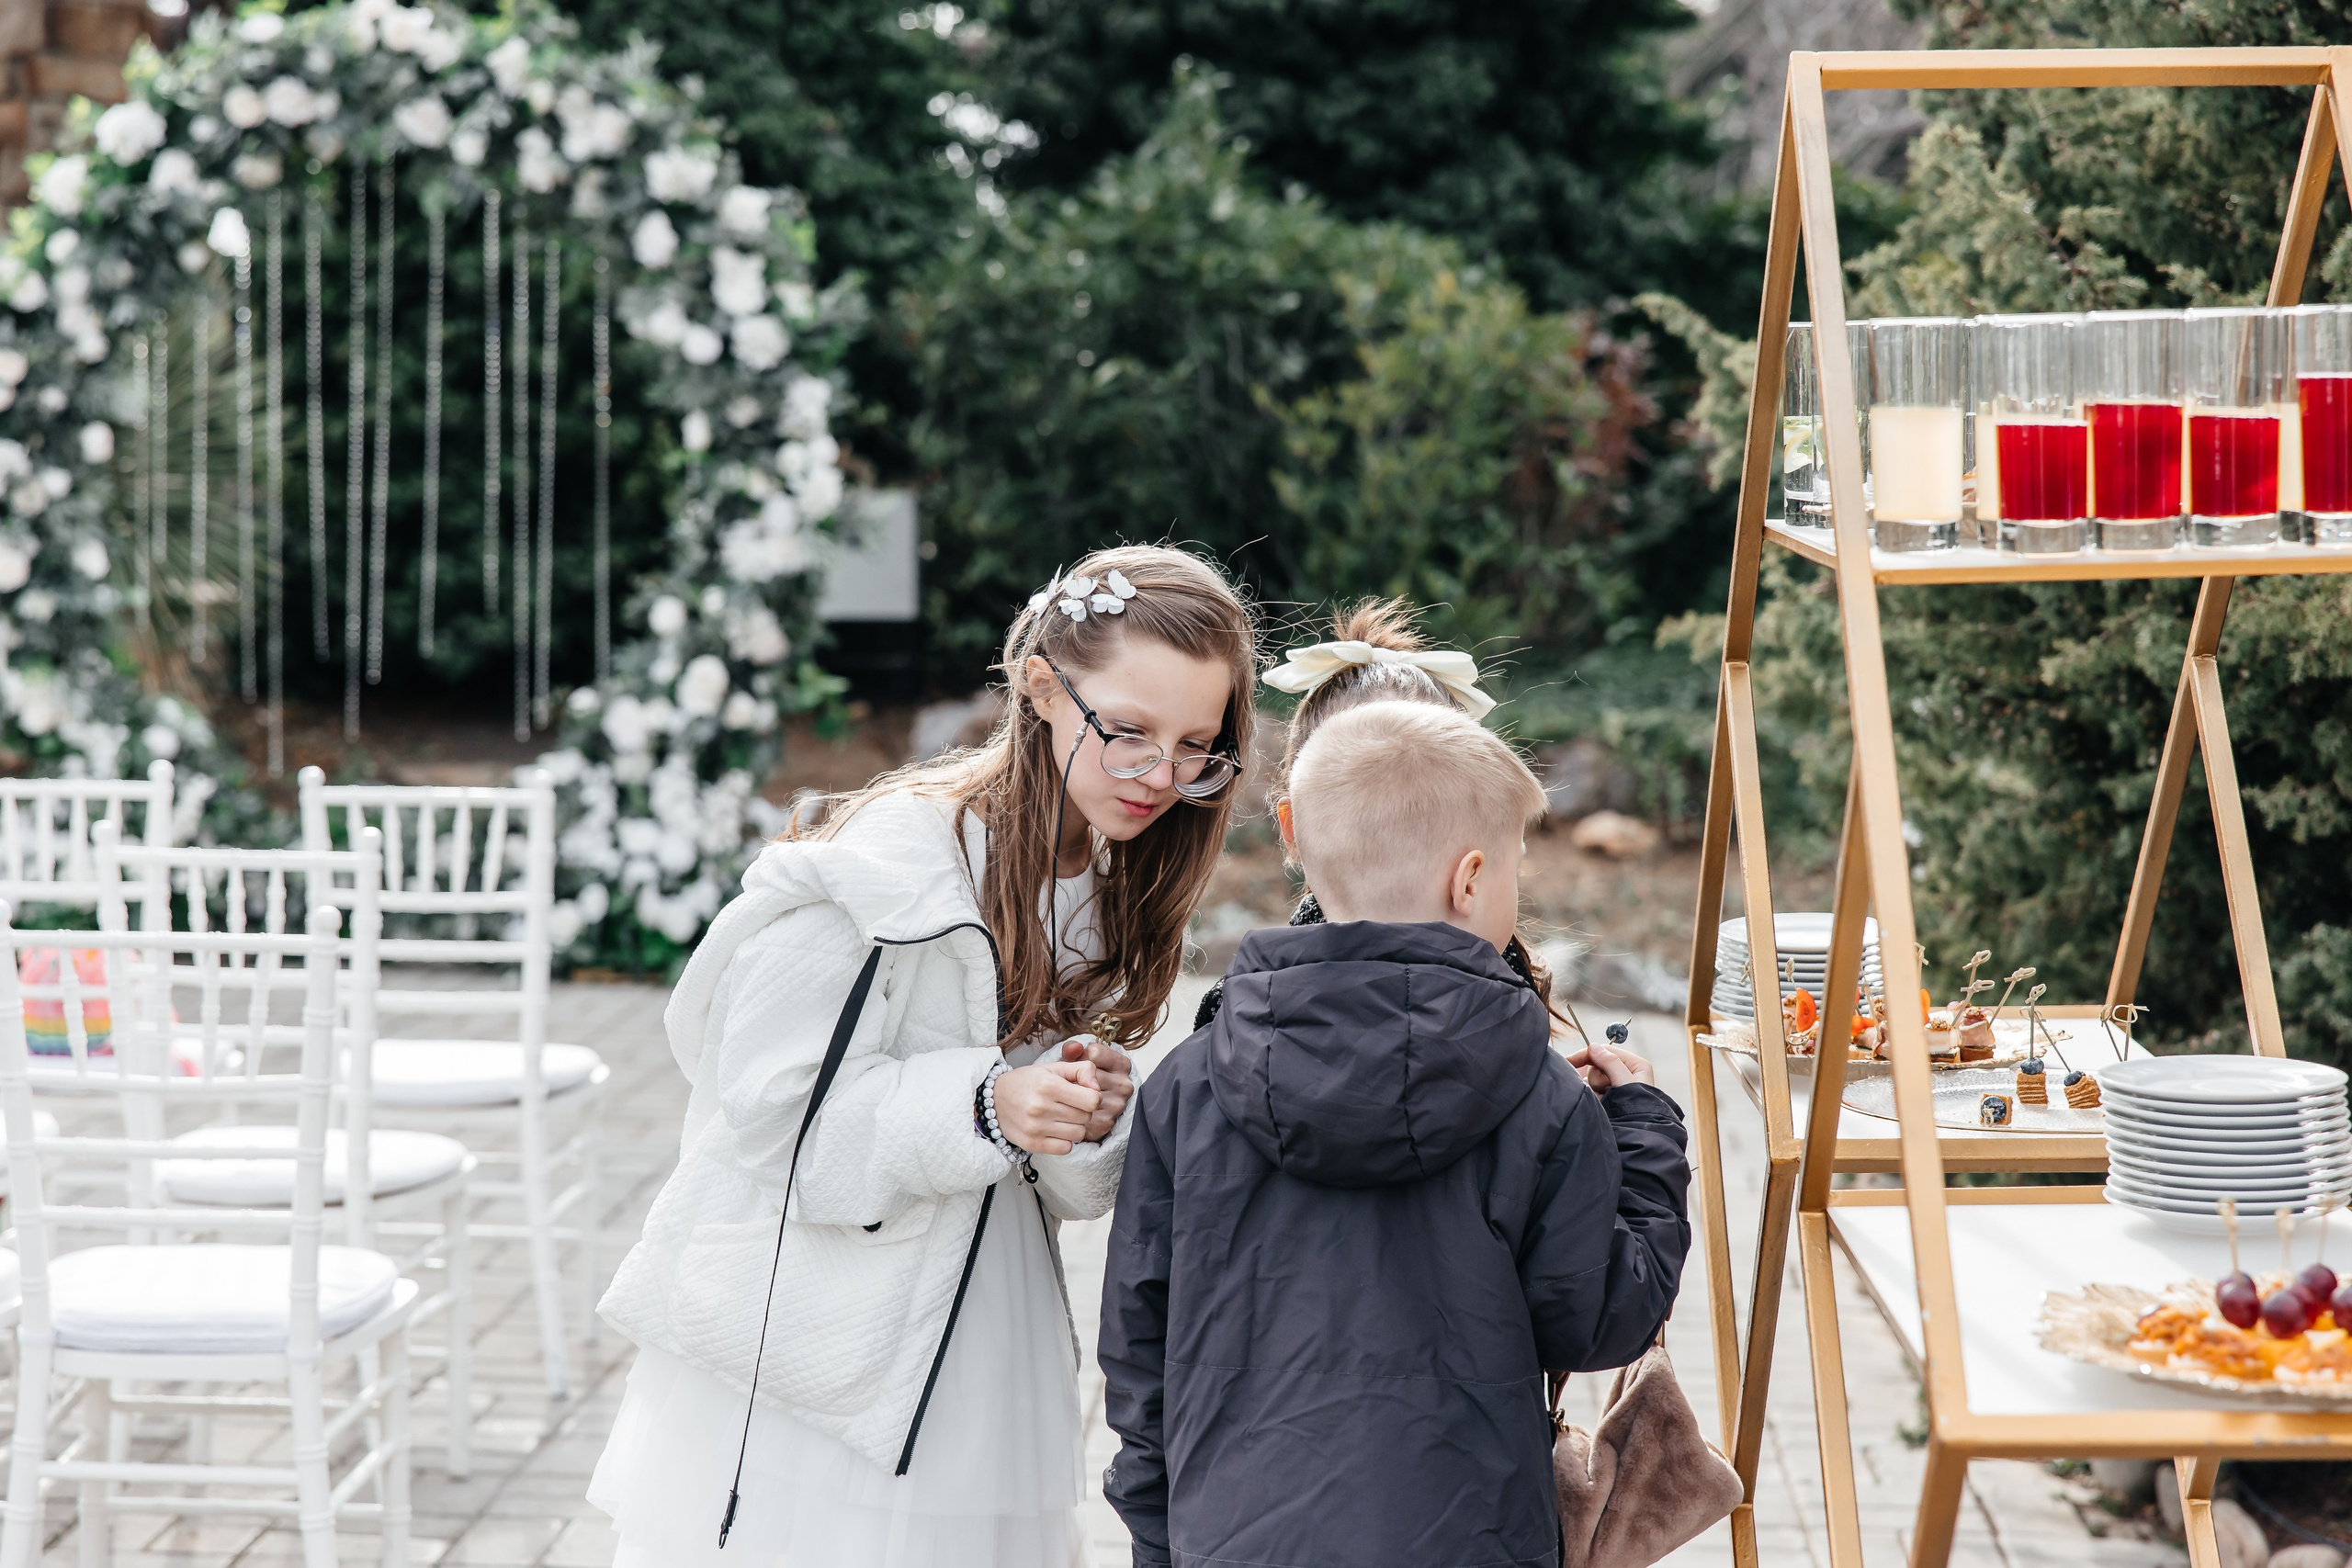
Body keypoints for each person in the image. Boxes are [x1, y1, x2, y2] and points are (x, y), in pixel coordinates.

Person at [591, 544, 1260, 1568]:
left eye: (1195, 747)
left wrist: (1078, 1111)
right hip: (827, 1351)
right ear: (1042, 688)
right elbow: (773, 1119)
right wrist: (990, 1105)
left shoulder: (1108, 880)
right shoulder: (890, 864)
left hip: (983, 1342)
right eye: (1126, 733)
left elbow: (1056, 1184)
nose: (1160, 777)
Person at [1098, 699, 1691, 1568]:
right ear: (1471, 877)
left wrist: (1161, 1533)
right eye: (1517, 870)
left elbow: (1139, 1344)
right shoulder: (1540, 1098)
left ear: (1300, 841)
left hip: (1232, 1536)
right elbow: (1600, 1320)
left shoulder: (1187, 1087)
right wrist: (1641, 1126)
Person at [1194, 598, 1570, 1032]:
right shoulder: (1243, 1008)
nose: (1394, 829)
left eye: (1424, 807)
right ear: (1293, 826)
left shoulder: (1245, 1007)